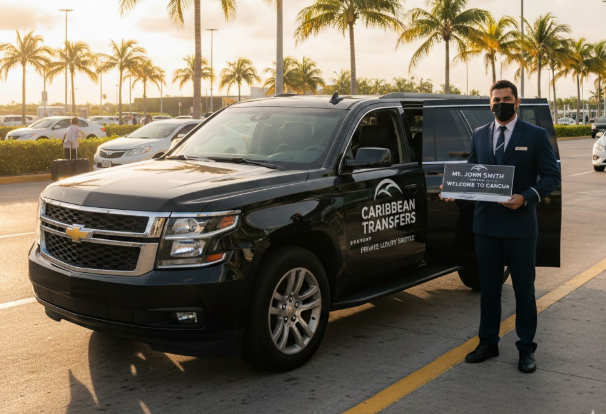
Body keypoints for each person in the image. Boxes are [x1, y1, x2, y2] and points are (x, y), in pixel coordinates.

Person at [441, 80, 561, 373]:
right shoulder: (480, 134)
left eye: (506, 99)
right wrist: (453, 187)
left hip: (520, 227)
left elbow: (551, 176)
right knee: (490, 291)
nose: (501, 104)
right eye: (496, 100)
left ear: (517, 102)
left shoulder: (535, 135)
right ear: (490, 104)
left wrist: (527, 197)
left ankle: (526, 349)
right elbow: (473, 172)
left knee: (524, 291)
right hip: (486, 227)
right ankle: (488, 343)